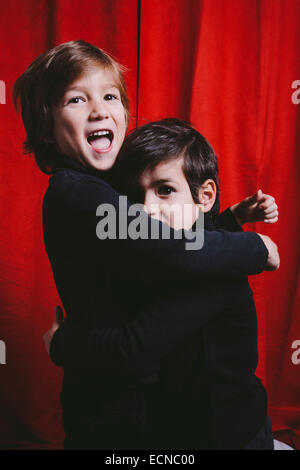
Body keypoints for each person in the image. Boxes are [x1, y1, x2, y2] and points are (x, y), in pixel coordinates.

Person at [13, 40, 278, 449]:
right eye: (77, 99)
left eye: (110, 96)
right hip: (108, 403)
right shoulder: (82, 197)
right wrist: (257, 249)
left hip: (179, 414)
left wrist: (229, 221)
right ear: (46, 125)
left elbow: (168, 239)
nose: (99, 109)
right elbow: (170, 244)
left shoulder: (100, 186)